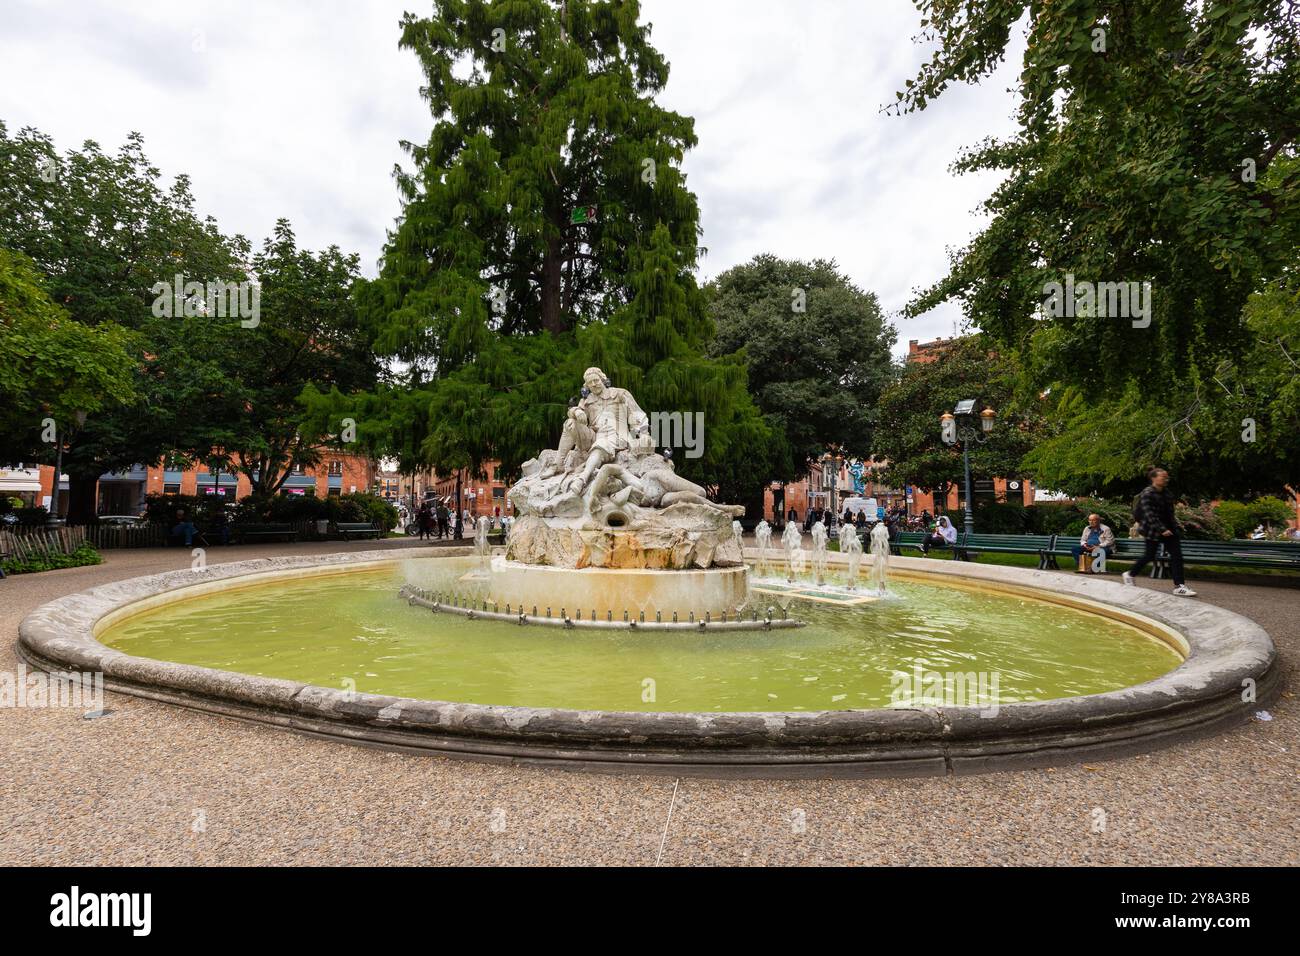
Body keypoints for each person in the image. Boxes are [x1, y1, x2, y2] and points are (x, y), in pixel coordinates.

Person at [1124, 467, 1197, 596]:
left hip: (1169, 529)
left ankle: (1179, 586)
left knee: (1177, 556)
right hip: (1152, 530)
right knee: (1149, 556)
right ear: (1154, 478)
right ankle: (1130, 574)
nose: (1165, 479)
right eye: (1162, 476)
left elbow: (1170, 514)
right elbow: (1149, 514)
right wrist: (1161, 529)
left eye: (1166, 477)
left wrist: (1175, 527)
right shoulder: (1147, 493)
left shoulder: (1167, 493)